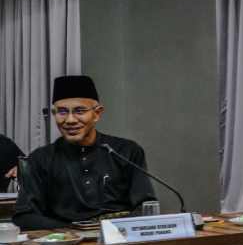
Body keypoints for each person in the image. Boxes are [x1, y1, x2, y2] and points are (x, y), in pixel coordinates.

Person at [13, 75, 156, 230]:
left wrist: (115, 229)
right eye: (62, 112)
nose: (70, 120)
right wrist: (73, 231)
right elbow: (24, 216)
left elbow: (146, 206)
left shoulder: (125, 151)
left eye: (79, 111)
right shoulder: (40, 159)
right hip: (66, 241)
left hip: (119, 237)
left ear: (97, 114)